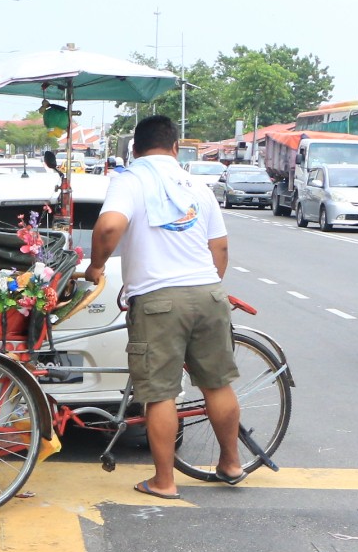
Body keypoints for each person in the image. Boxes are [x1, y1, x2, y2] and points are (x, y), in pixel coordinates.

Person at [82, 114, 244, 497]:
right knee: (217, 384)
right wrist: (203, 289)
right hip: (207, 292)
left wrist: (97, 265)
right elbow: (219, 248)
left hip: (158, 301)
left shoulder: (131, 179)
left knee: (160, 393)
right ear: (175, 148)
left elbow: (108, 228)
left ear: (134, 149)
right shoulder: (197, 186)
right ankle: (231, 463)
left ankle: (164, 481)